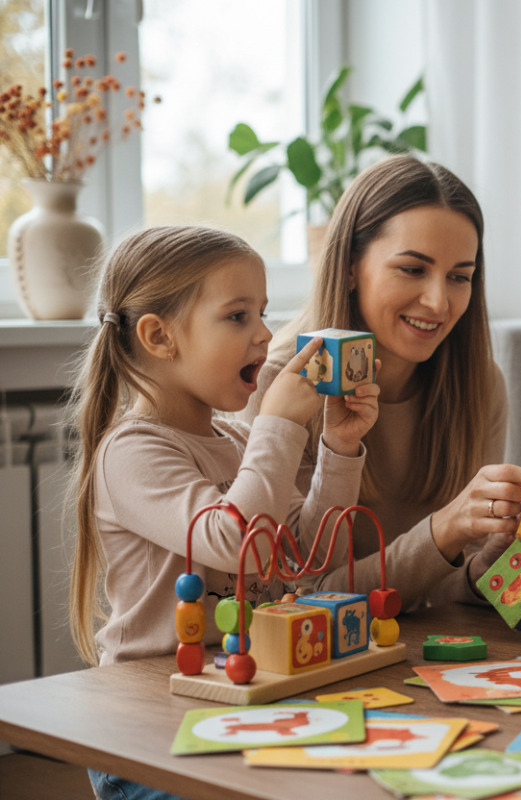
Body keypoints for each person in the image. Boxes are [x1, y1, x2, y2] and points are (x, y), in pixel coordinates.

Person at [66, 226, 378, 800]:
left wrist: (338, 449)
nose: (264, 334)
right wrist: (279, 425)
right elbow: (238, 544)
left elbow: (307, 559)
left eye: (262, 313)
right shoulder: (131, 451)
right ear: (160, 336)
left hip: (236, 703)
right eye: (237, 317)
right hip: (151, 734)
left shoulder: (235, 440)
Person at [245, 154, 521, 606]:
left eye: (459, 277)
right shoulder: (280, 383)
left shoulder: (480, 385)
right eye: (412, 269)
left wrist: (479, 573)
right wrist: (445, 529)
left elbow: (439, 590)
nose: (438, 302)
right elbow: (300, 592)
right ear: (349, 267)